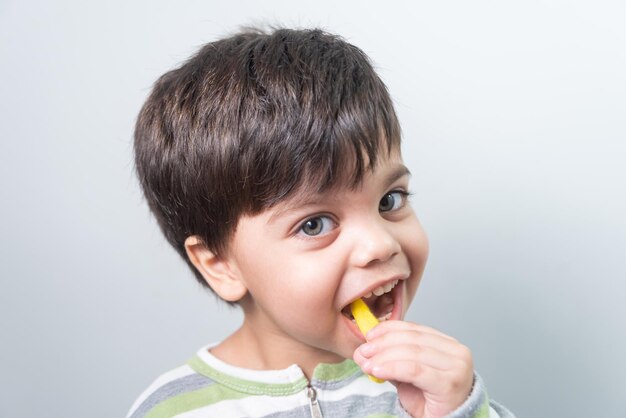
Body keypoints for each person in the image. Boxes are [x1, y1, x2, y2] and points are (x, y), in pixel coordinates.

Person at [127, 27, 515, 418]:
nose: (380, 244)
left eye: (389, 200)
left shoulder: (433, 394)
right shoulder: (173, 411)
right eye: (314, 224)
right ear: (220, 264)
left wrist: (458, 411)